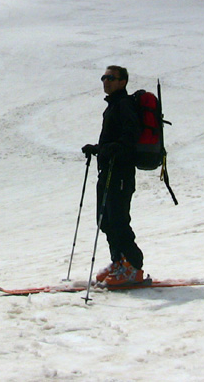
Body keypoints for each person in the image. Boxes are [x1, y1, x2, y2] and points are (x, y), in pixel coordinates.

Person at [82, 66, 145, 285]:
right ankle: (119, 263)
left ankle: (134, 267)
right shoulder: (113, 106)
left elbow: (130, 137)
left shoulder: (125, 105)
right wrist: (98, 148)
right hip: (108, 170)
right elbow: (114, 140)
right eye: (104, 77)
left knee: (118, 220)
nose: (105, 81)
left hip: (120, 172)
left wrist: (110, 149)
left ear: (123, 81)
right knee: (105, 220)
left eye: (110, 78)